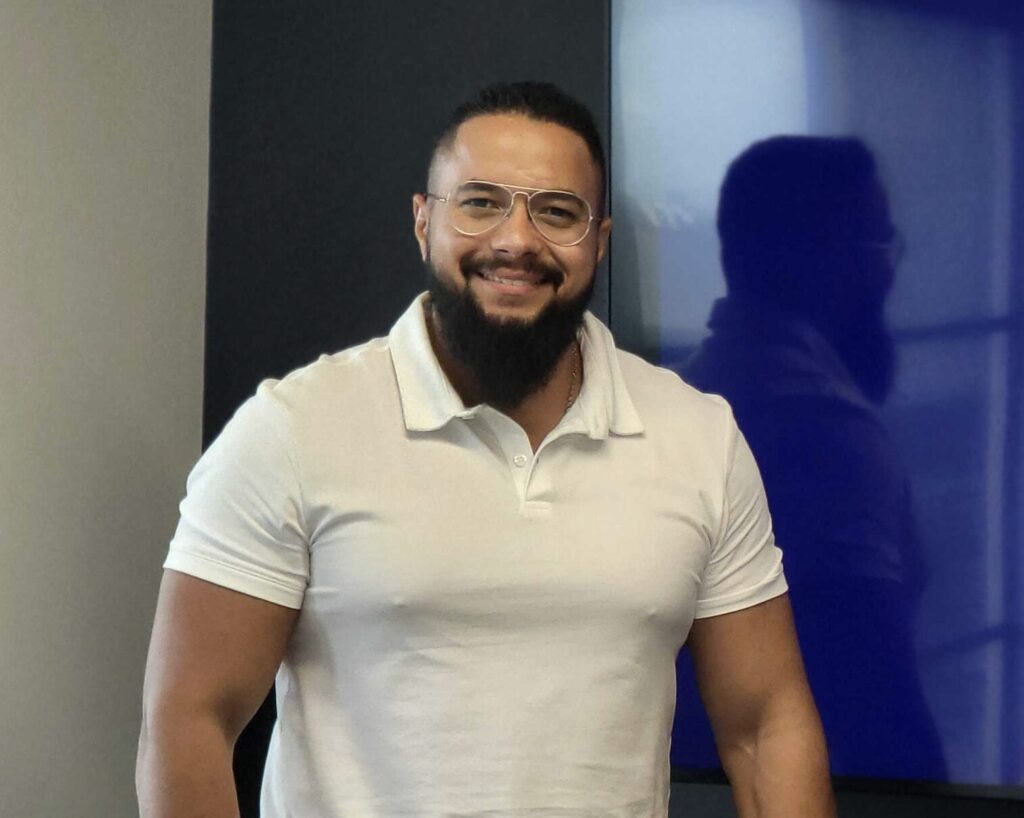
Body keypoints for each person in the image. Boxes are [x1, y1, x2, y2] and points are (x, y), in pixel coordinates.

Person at [136, 82, 835, 818]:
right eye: (480, 202)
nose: (516, 240)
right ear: (422, 222)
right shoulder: (294, 427)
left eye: (557, 212)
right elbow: (189, 717)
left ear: (598, 241)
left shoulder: (697, 436)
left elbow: (766, 727)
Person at [683, 135, 947, 780]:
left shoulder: (689, 392)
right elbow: (873, 708)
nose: (890, 270)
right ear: (817, 255)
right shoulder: (823, 432)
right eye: (877, 244)